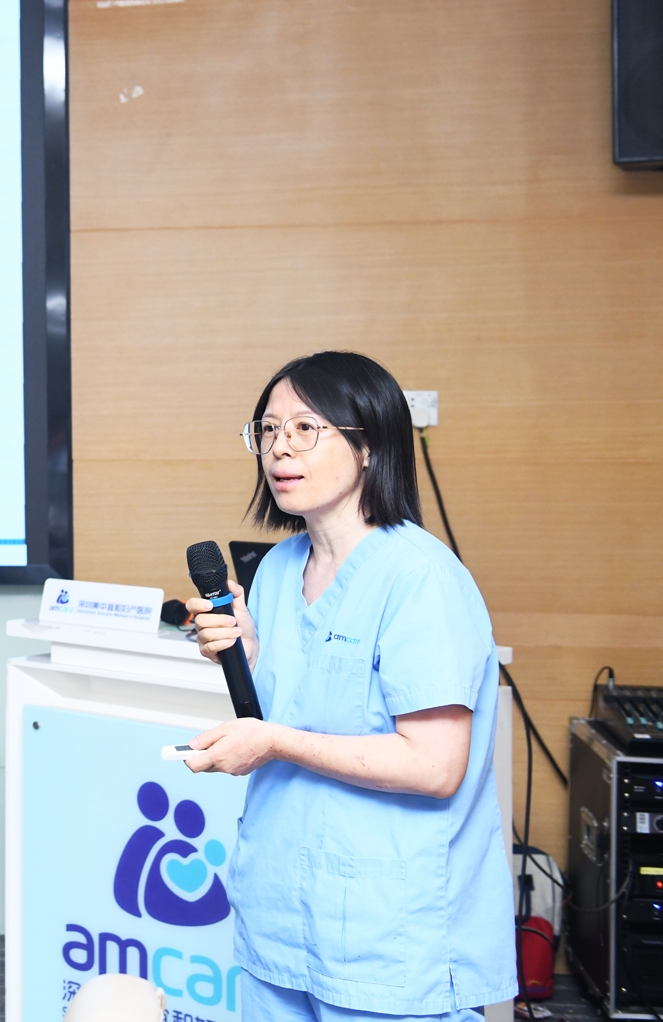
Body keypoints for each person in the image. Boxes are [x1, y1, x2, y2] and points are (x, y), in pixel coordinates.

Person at [182, 351, 514, 1022]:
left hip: (390, 937)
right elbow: (294, 710)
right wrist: (245, 653)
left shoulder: (420, 578)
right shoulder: (278, 568)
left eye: (306, 428)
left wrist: (274, 741)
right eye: (267, 430)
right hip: (281, 915)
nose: (280, 448)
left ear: (369, 446)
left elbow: (435, 766)